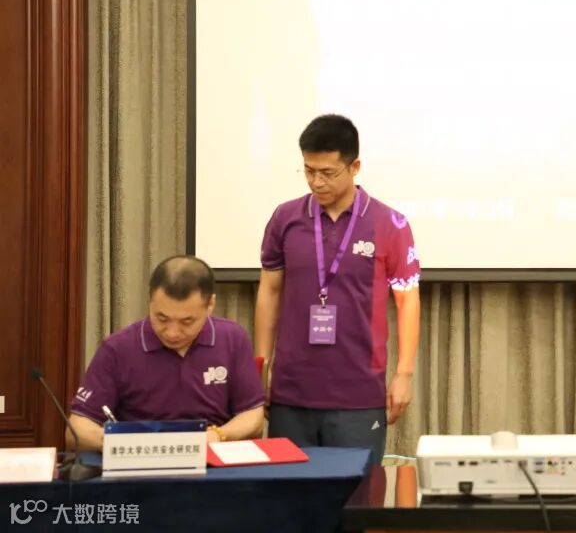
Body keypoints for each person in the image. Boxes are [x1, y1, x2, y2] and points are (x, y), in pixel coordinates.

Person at [255, 114, 420, 463]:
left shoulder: (389, 223)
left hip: (359, 394)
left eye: (328, 173)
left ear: (354, 167)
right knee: (290, 491)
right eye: (309, 170)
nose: (317, 182)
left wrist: (404, 374)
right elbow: (269, 292)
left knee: (357, 492)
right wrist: (262, 367)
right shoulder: (285, 218)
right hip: (291, 392)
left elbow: (407, 301)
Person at [68, 256, 264, 451]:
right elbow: (77, 428)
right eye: (161, 318)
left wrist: (218, 435)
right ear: (150, 300)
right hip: (141, 459)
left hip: (212, 455)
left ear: (210, 305)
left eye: (187, 321)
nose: (172, 333)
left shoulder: (232, 338)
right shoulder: (117, 348)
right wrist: (119, 443)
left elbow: (253, 416)